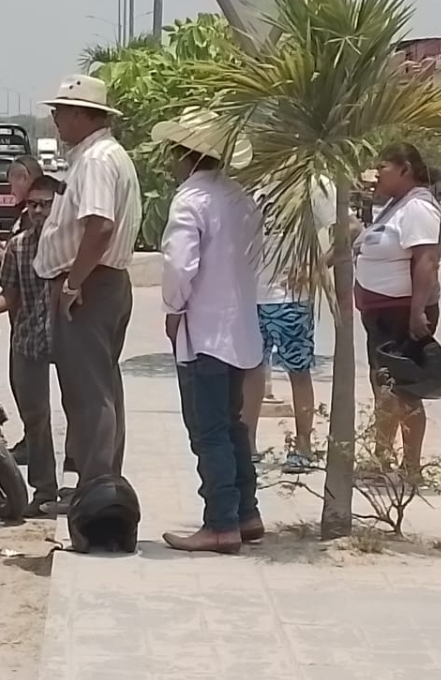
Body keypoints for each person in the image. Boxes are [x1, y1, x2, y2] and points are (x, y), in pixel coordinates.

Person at [155, 108, 264, 555]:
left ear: (186, 154)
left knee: (208, 430)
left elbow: (179, 265)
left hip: (203, 331)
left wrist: (172, 307)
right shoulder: (241, 197)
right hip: (240, 329)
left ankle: (219, 523)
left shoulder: (190, 200)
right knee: (233, 425)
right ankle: (246, 512)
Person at [33, 74, 142, 486]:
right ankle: (102, 479)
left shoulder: (96, 160)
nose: (55, 120)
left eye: (60, 112)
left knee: (89, 392)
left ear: (81, 114)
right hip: (102, 282)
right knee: (102, 385)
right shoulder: (101, 155)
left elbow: (98, 227)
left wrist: (73, 282)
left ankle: (97, 485)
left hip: (90, 285)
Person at [0, 175, 60, 516]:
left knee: (85, 413)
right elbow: (10, 296)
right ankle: (45, 489)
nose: (37, 211)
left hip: (69, 340)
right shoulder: (19, 247)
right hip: (28, 340)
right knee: (35, 418)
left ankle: (89, 485)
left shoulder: (72, 243)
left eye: (45, 204)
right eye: (32, 205)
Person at [354, 142, 441, 477]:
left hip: (403, 313)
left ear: (405, 168)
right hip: (380, 313)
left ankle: (410, 467)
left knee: (404, 390)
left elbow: (426, 260)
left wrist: (418, 311)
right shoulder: (394, 205)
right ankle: (381, 457)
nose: (377, 174)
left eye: (384, 168)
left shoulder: (418, 208)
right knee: (384, 387)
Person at [242, 177, 337, 474]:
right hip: (253, 294)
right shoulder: (254, 186)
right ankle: (248, 445)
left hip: (291, 296)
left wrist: (316, 266)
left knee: (298, 370)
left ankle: (304, 445)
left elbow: (348, 231)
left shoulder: (312, 183)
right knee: (252, 368)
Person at [0, 155, 44, 265]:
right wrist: (0, 244)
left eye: (11, 185)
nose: (11, 191)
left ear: (23, 178)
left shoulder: (36, 214)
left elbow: (27, 256)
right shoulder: (27, 211)